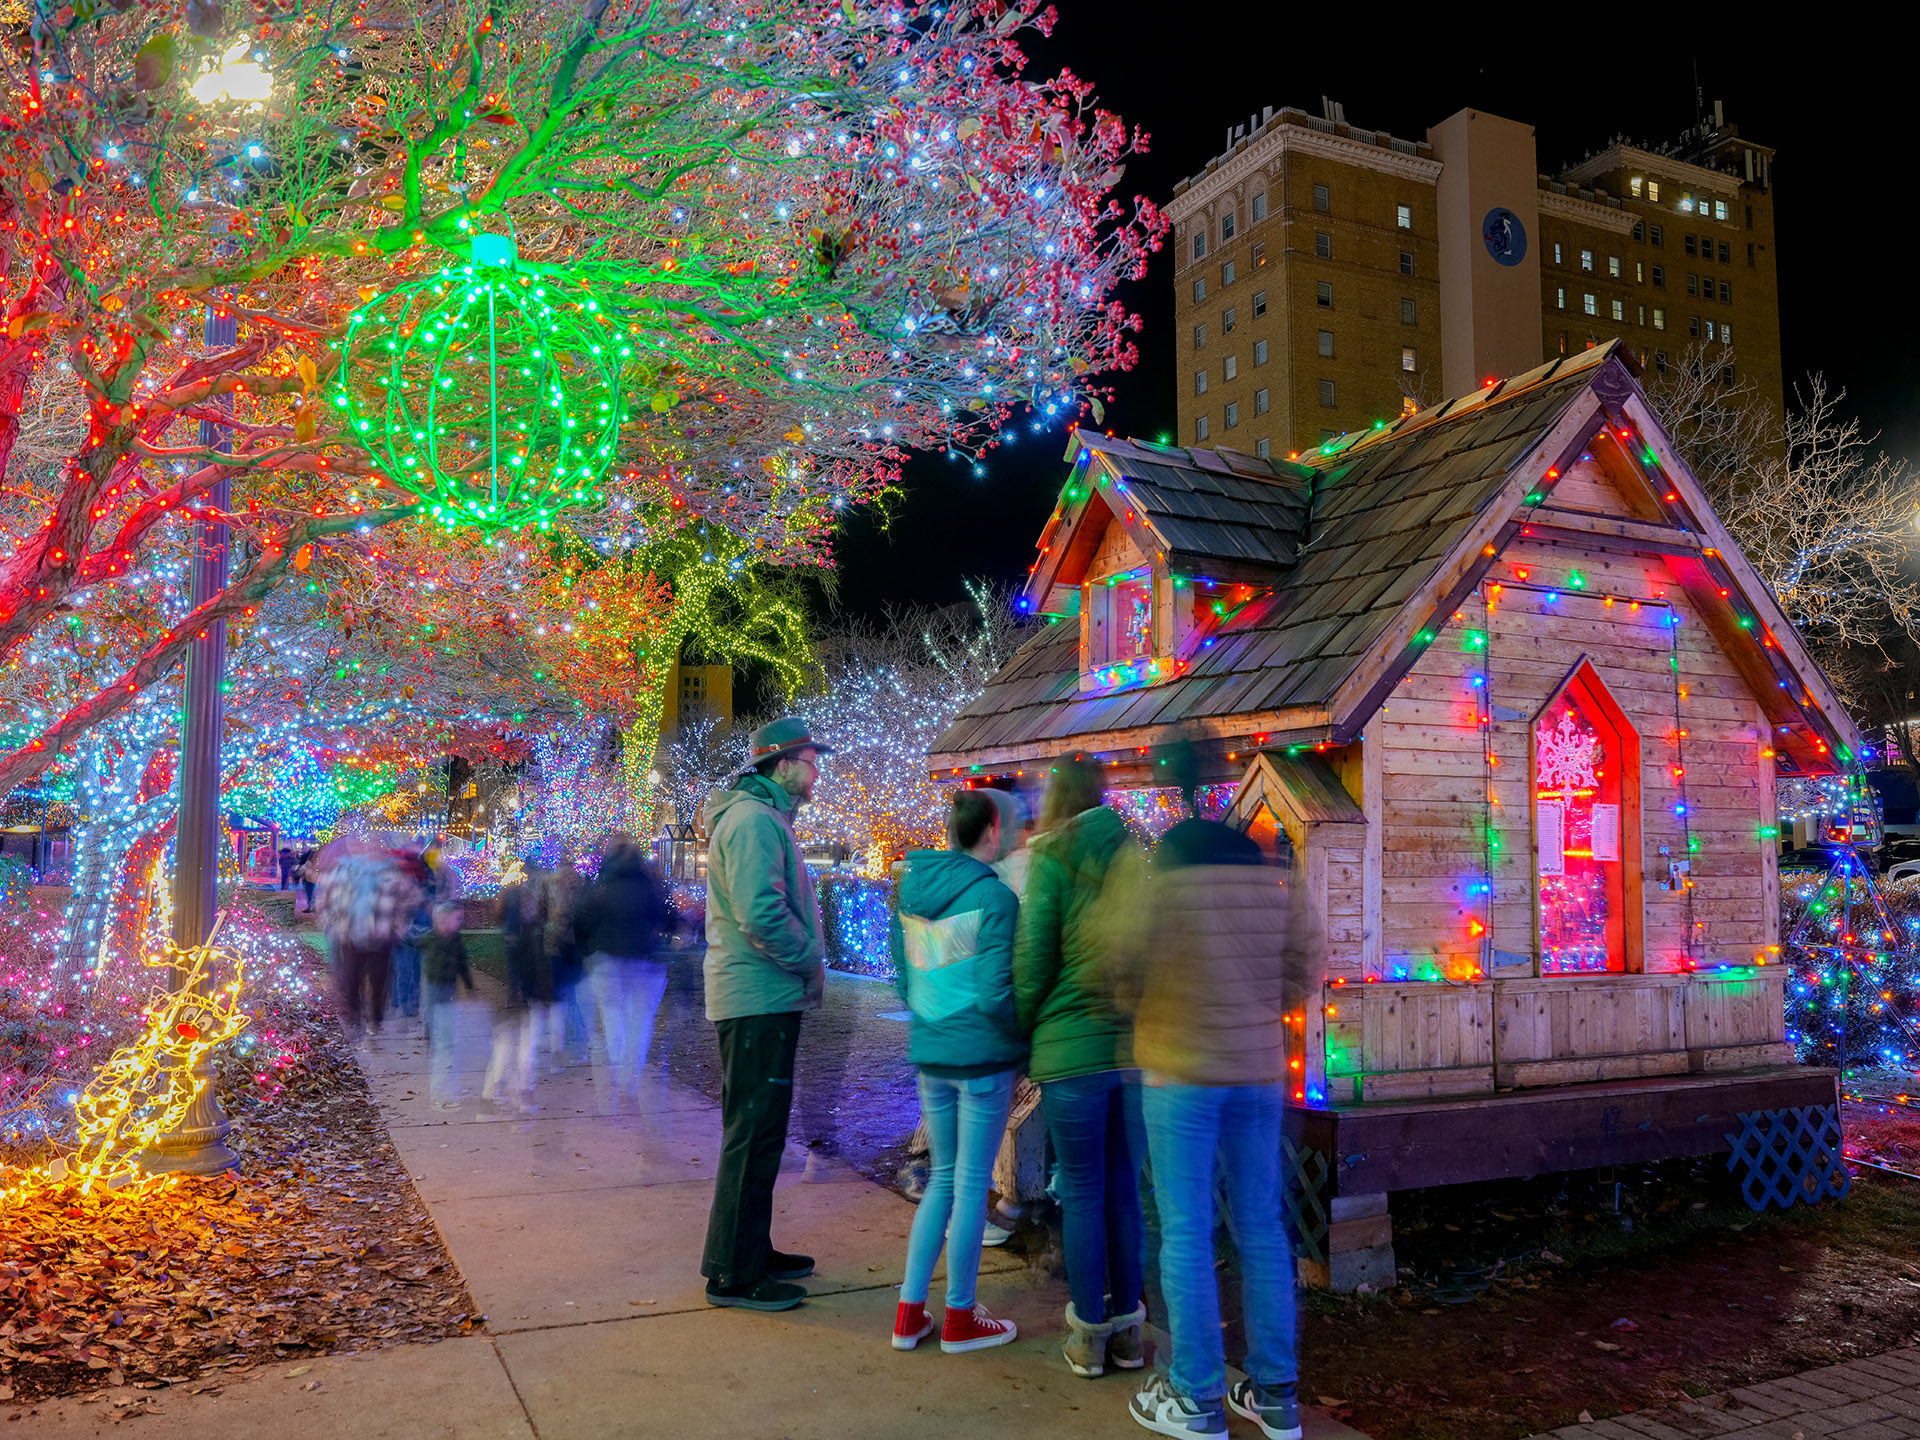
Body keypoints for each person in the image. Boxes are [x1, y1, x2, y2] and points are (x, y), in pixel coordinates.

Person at [1116, 740, 1315, 1440]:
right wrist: (1259, 1010)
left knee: (1186, 1231)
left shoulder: (1161, 883)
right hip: (1257, 1071)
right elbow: (1304, 962)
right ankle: (1276, 1394)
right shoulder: (1274, 882)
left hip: (1179, 1073)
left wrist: (1152, 1012)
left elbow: (1122, 966)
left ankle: (1196, 1396)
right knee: (1262, 1227)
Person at [1012, 756, 1148, 1379]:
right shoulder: (1131, 854)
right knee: (1125, 1190)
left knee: (1085, 1192)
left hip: (1070, 1053)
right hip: (1131, 1050)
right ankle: (1129, 1336)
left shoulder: (1052, 857)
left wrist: (1021, 1031)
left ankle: (1089, 1338)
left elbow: (1034, 958)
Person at [698, 717, 831, 1312]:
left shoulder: (761, 818)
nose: (816, 772)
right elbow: (760, 914)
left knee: (759, 1132)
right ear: (782, 765)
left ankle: (748, 1250)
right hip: (757, 998)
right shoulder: (753, 821)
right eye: (810, 761)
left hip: (761, 997)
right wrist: (808, 960)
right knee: (754, 1132)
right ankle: (735, 1273)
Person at [889, 788, 1027, 1355]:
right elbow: (995, 996)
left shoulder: (911, 888)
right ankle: (961, 1318)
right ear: (991, 830)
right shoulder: (996, 898)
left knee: (943, 1180)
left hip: (932, 1054)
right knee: (971, 1185)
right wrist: (1023, 1034)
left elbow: (904, 981)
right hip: (982, 1058)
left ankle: (909, 1314)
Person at [575, 837, 673, 1111]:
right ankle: (631, 1078)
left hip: (606, 959)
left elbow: (582, 919)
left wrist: (586, 950)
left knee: (612, 1016)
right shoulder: (647, 883)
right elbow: (665, 914)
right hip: (642, 958)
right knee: (640, 1021)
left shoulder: (601, 884)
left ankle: (618, 1069)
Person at [317, 848, 424, 1046]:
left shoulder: (391, 872)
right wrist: (331, 924)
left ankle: (375, 1018)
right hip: (349, 937)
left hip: (380, 938)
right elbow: (324, 899)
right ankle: (355, 1021)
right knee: (350, 982)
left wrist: (398, 926)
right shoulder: (344, 870)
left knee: (378, 982)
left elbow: (413, 896)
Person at [422, 901, 476, 1110]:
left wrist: (469, 986)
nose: (460, 922)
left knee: (449, 1040)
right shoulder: (431, 938)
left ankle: (449, 1087)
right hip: (434, 990)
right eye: (457, 919)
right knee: (442, 1043)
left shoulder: (456, 939)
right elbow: (413, 941)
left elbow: (462, 962)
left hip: (448, 990)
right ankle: (440, 1094)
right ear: (443, 920)